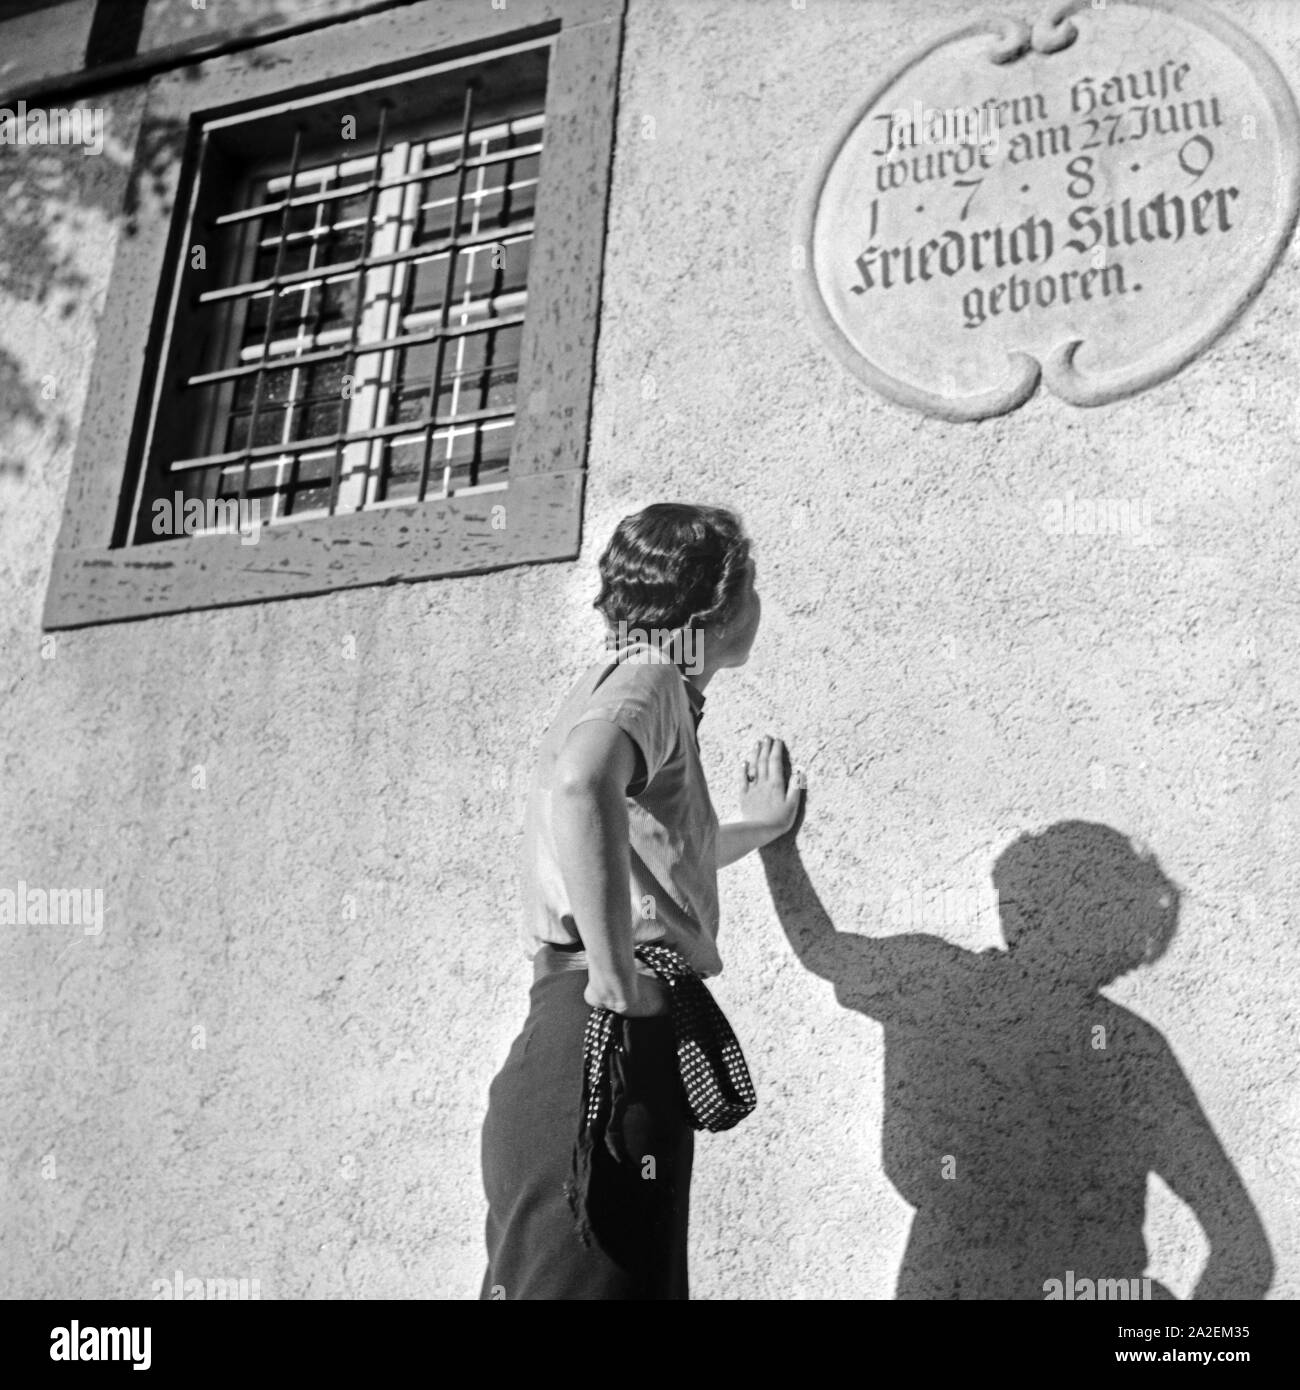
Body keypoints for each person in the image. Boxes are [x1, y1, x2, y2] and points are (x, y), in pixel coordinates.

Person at [480, 502, 803, 1300]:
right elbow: (582, 783)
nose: (758, 604)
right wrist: (620, 984)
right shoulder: (652, 675)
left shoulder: (634, 687)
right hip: (600, 1033)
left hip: (577, 1042)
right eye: (751, 585)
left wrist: (755, 829)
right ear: (718, 608)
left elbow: (652, 858)